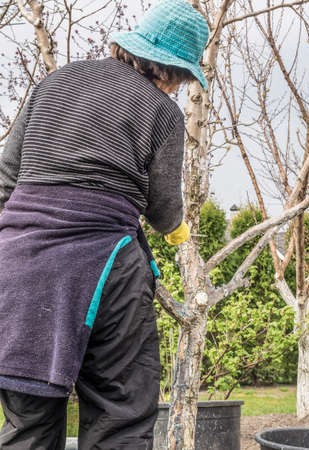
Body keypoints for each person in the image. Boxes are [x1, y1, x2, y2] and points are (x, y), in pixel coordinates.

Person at [0, 0, 209, 448]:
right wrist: (179, 233)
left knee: (29, 421)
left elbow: (6, 177)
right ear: (174, 71)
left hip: (21, 268)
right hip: (105, 267)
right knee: (121, 414)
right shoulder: (162, 110)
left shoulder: (54, 81)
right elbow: (163, 203)